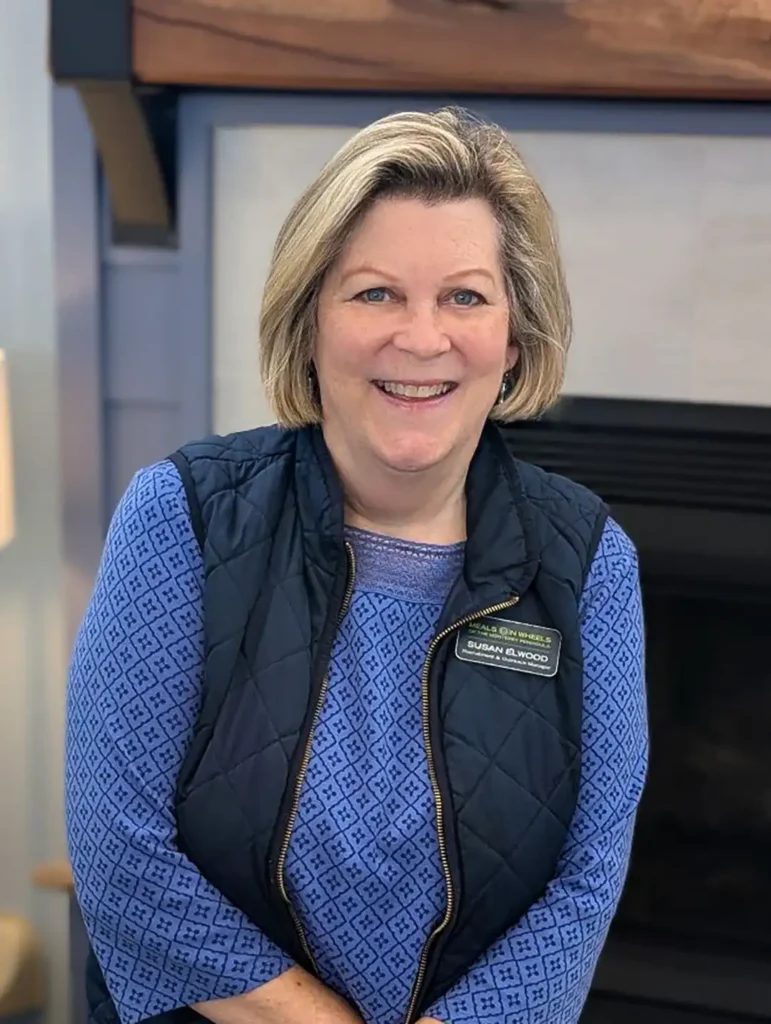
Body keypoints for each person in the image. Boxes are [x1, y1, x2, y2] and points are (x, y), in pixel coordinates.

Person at [66, 106, 647, 1024]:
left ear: (514, 339)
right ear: (309, 323)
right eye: (373, 293)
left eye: (464, 296)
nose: (420, 339)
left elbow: (582, 889)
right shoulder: (182, 519)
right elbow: (119, 856)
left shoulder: (590, 563)